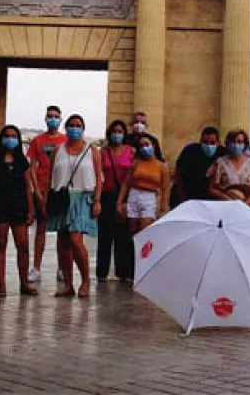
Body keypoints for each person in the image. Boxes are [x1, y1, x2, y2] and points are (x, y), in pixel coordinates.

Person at [43, 114, 102, 298]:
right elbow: (50, 176)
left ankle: (85, 280)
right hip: (61, 198)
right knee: (63, 242)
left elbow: (99, 177)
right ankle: (68, 284)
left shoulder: (92, 150)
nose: (74, 128)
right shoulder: (57, 150)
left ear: (83, 129)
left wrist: (97, 200)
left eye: (78, 125)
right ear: (66, 128)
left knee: (76, 240)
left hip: (83, 197)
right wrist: (45, 200)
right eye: (71, 125)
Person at [0, 125, 37, 297]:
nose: (10, 139)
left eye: (14, 136)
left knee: (23, 246)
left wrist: (31, 210)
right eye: (7, 136)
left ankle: (24, 284)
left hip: (19, 207)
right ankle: (2, 285)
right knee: (0, 244)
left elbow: (28, 187)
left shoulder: (22, 161)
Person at [26, 105, 67, 284]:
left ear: (61, 119)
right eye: (50, 116)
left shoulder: (66, 140)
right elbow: (32, 166)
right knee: (40, 230)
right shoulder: (37, 141)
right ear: (45, 118)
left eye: (56, 116)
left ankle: (62, 268)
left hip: (59, 190)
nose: (53, 119)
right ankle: (36, 267)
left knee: (61, 231)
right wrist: (35, 190)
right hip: (42, 189)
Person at [97, 120, 135, 283]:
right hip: (107, 195)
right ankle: (102, 272)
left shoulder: (131, 151)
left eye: (120, 131)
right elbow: (98, 174)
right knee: (105, 234)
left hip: (125, 195)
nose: (117, 134)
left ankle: (124, 271)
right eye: (114, 131)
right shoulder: (102, 152)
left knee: (124, 235)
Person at [117, 135, 170, 238]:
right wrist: (119, 202)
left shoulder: (161, 166)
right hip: (134, 195)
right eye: (141, 146)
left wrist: (164, 205)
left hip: (149, 197)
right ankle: (133, 254)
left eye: (146, 144)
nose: (144, 148)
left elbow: (166, 187)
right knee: (132, 231)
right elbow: (126, 183)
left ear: (153, 146)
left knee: (145, 231)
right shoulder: (136, 163)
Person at [173, 127, 226, 203]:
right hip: (189, 195)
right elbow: (179, 175)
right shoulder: (190, 151)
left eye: (212, 142)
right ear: (200, 141)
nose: (208, 145)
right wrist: (183, 199)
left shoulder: (223, 153)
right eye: (205, 142)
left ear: (218, 142)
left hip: (212, 199)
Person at [206, 129, 250, 202]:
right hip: (224, 203)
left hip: (245, 205)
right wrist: (228, 199)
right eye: (233, 142)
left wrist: (246, 203)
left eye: (240, 142)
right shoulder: (220, 162)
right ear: (228, 144)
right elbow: (211, 189)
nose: (236, 145)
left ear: (245, 144)